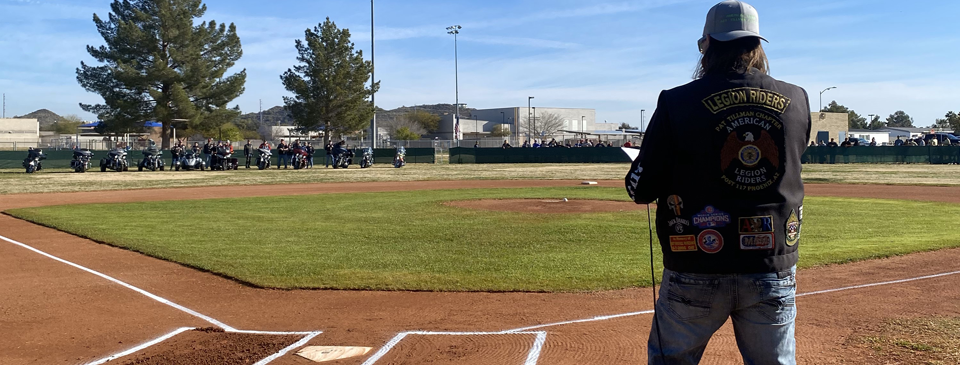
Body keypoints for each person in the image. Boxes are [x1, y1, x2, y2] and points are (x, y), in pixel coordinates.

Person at [624, 2, 808, 364]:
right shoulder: (797, 99)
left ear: (707, 44)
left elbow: (641, 187)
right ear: (757, 46)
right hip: (771, 261)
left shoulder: (677, 101)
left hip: (696, 260)